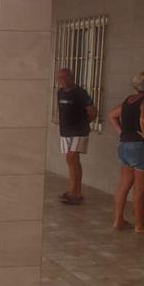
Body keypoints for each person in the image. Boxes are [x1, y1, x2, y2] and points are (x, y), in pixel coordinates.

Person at [108, 69, 144, 233]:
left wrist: (122, 132)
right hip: (142, 149)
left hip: (125, 147)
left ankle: (118, 221)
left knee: (124, 185)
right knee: (140, 189)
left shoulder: (128, 101)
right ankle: (139, 225)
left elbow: (112, 115)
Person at [56, 68, 96, 205]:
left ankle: (75, 192)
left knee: (71, 157)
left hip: (79, 131)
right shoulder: (60, 92)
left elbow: (92, 112)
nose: (62, 80)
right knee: (71, 161)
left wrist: (84, 123)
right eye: (60, 78)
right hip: (65, 131)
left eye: (65, 77)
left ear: (71, 78)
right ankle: (74, 190)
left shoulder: (80, 93)